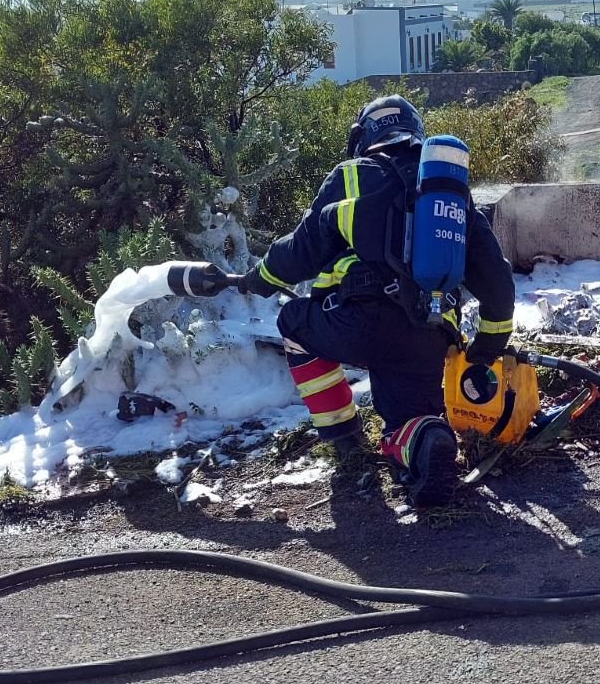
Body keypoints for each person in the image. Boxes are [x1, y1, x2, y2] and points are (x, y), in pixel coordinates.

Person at [178, 95, 515, 506]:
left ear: (362, 137)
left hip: (358, 322)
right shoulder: (447, 195)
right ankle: (428, 438)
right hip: (428, 333)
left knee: (294, 325)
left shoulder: (352, 175)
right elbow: (495, 275)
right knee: (408, 420)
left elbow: (303, 248)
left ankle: (344, 437)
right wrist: (489, 343)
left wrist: (259, 278)